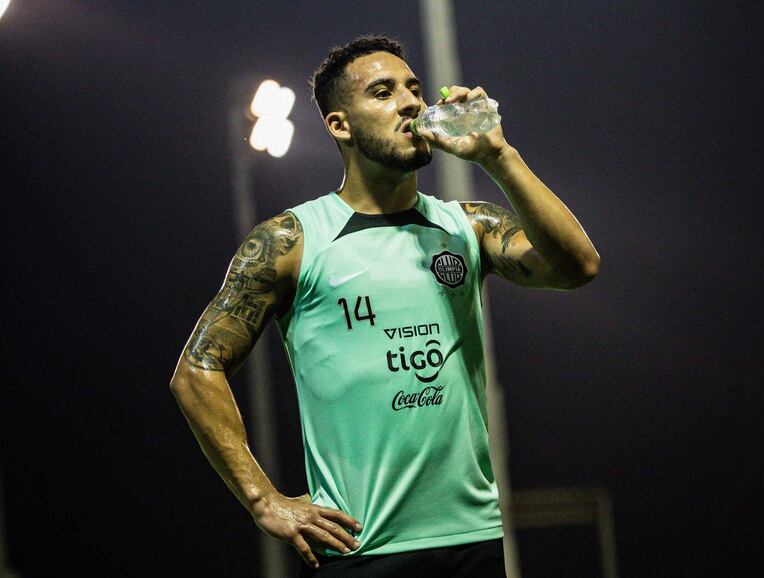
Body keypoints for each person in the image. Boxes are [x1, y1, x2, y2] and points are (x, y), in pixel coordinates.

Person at [170, 34, 600, 578]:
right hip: (360, 551)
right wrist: (263, 500)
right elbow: (196, 372)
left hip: (472, 540)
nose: (410, 102)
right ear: (340, 125)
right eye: (383, 91)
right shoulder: (293, 239)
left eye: (414, 89)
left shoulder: (467, 225)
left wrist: (499, 157)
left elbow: (577, 266)